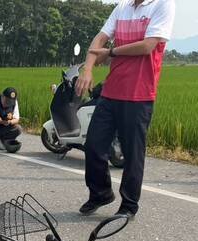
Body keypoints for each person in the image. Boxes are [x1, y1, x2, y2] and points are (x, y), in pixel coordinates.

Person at [75, 0, 175, 218]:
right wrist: (88, 69)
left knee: (132, 153)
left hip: (139, 94)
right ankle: (100, 193)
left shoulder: (163, 4)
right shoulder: (123, 7)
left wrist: (110, 53)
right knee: (93, 145)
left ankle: (129, 205)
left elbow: (148, 45)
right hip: (111, 91)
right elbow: (99, 40)